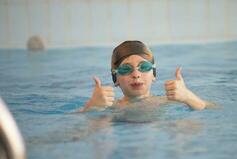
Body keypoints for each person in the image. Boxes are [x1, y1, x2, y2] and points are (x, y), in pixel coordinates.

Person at [80, 40, 209, 112]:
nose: (136, 75)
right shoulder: (110, 107)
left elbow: (212, 109)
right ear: (116, 78)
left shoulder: (167, 102)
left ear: (153, 74)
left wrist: (188, 97)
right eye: (126, 69)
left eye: (144, 67)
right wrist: (91, 106)